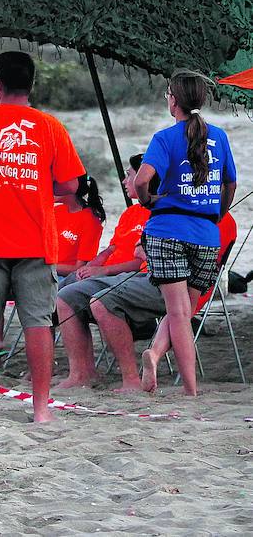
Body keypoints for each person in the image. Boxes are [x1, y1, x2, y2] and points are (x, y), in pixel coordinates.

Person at [0, 51, 84, 422]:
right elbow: (71, 184)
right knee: (38, 323)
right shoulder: (50, 126)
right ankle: (40, 410)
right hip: (36, 240)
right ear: (32, 86)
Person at [135, 70, 237, 396]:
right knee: (184, 310)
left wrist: (150, 199)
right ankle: (161, 359)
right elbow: (230, 182)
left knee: (178, 311)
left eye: (168, 94)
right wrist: (215, 214)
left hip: (167, 231)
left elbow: (140, 180)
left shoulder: (164, 138)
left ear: (174, 100)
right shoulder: (219, 136)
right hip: (207, 235)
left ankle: (187, 386)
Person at [91, 212, 237, 391]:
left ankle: (153, 356)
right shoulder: (211, 216)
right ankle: (169, 368)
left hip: (172, 276)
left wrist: (148, 252)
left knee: (178, 311)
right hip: (194, 276)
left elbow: (151, 253)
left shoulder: (174, 213)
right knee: (180, 312)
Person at [55, 154, 152, 388]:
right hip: (108, 274)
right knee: (64, 296)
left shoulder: (156, 214)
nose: (124, 180)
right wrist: (94, 265)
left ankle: (130, 379)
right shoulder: (131, 213)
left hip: (129, 277)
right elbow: (113, 247)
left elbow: (141, 262)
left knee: (96, 299)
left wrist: (102, 272)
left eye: (128, 175)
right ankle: (82, 373)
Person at [55, 175, 105, 287]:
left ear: (71, 187)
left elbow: (79, 268)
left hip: (65, 278)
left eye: (55, 184)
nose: (51, 188)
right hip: (44, 271)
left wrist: (47, 266)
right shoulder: (56, 211)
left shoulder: (91, 221)